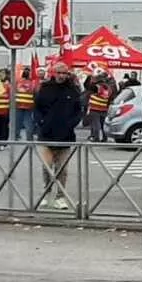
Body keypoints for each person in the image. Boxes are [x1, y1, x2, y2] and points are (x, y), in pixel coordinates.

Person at [34, 62, 83, 209]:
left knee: (62, 169)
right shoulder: (45, 88)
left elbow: (78, 110)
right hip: (47, 134)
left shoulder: (73, 89)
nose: (62, 76)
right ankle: (46, 193)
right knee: (47, 167)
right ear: (53, 73)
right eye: (59, 72)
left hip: (66, 135)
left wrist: (71, 124)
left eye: (64, 73)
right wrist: (41, 123)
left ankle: (60, 197)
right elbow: (37, 108)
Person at [85, 72, 112, 142]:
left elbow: (87, 86)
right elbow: (110, 96)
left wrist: (90, 78)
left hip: (95, 107)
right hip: (104, 107)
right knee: (103, 124)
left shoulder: (96, 86)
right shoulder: (108, 87)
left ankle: (96, 138)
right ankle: (105, 138)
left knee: (95, 124)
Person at [14, 67, 37, 140]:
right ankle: (27, 138)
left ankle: (17, 136)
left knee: (20, 122)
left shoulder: (18, 82)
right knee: (25, 122)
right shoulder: (32, 83)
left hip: (22, 105)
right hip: (25, 105)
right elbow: (35, 93)